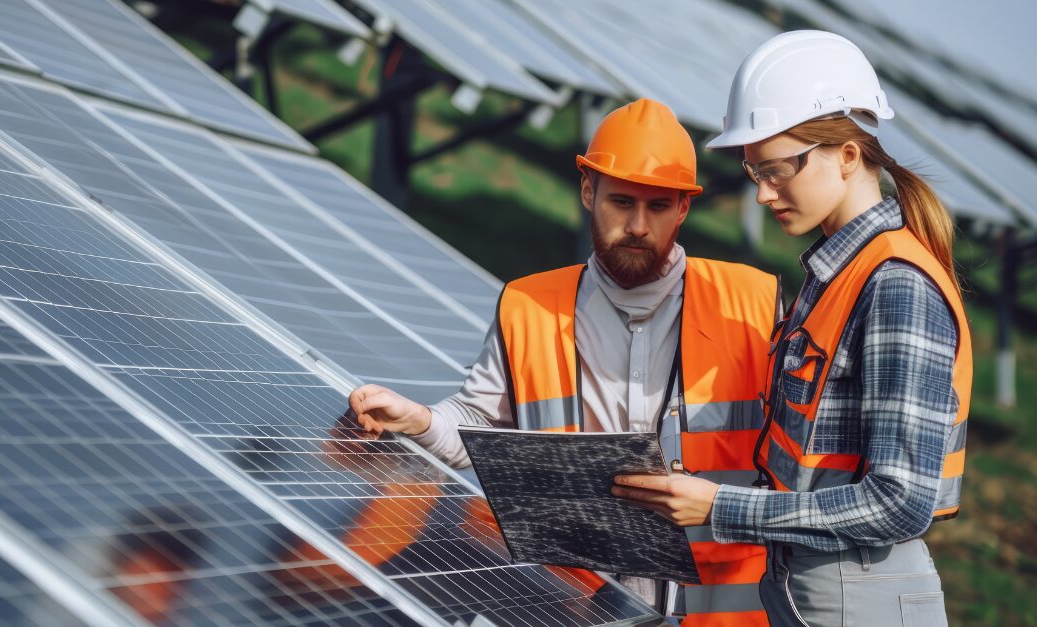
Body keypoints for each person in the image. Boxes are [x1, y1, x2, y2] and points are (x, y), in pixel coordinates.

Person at [350, 99, 780, 626]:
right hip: (571, 605)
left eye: (660, 206)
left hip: (723, 614)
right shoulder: (528, 307)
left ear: (684, 209)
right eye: (622, 202)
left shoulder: (757, 304)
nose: (639, 226)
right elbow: (481, 426)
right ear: (587, 191)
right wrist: (420, 421)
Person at [612, 31, 970, 627]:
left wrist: (722, 507)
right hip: (813, 590)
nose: (760, 194)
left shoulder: (896, 286)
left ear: (849, 155)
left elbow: (901, 502)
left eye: (776, 170)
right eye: (753, 172)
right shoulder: (838, 273)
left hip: (860, 595)